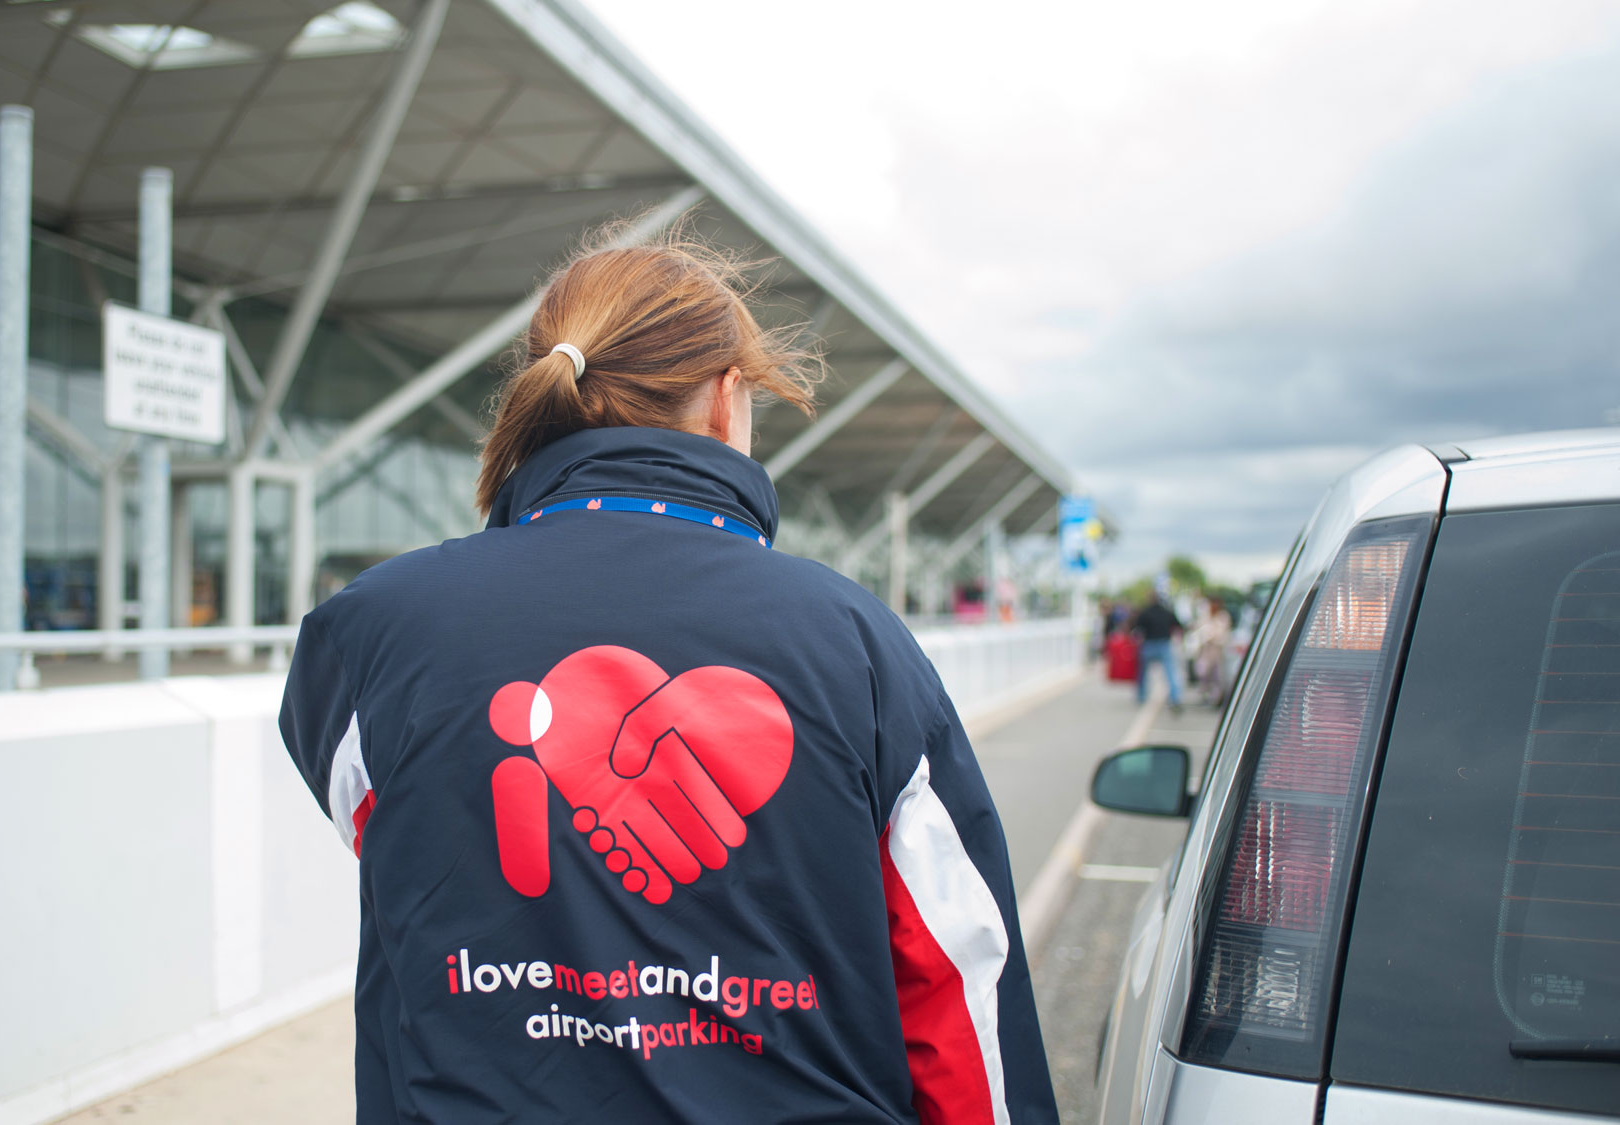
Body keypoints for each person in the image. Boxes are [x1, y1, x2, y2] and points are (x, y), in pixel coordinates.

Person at [279, 225, 1057, 1124]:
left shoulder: (371, 632)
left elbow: (393, 838)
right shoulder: (858, 642)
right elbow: (957, 980)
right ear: (728, 400)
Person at [1128, 589, 1184, 713]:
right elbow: (1178, 626)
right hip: (1164, 644)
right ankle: (1175, 698)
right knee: (1170, 673)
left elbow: (1137, 629)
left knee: (1142, 672)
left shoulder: (1145, 612)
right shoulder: (1167, 612)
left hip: (1149, 644)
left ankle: (1141, 696)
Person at [1190, 595, 1234, 706]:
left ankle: (1217, 697)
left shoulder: (1222, 617)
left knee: (1217, 675)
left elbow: (1223, 634)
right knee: (1203, 672)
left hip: (1217, 650)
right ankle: (1206, 694)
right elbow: (1198, 629)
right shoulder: (1205, 616)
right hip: (1205, 650)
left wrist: (1213, 636)